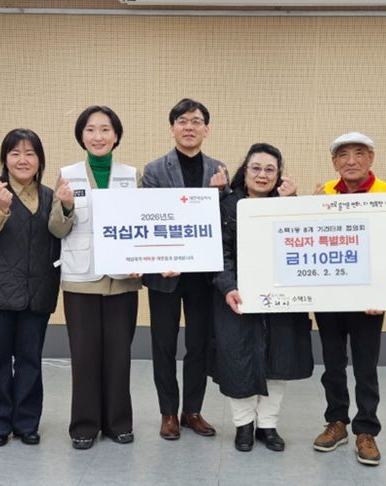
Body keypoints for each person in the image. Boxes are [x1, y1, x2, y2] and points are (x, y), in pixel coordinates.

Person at [49, 105, 141, 450]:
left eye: (105, 129)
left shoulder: (132, 176)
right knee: (84, 355)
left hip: (122, 279)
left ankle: (119, 423)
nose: (98, 136)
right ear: (81, 136)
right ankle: (84, 425)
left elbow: (142, 226)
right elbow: (56, 229)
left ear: (116, 136)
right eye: (90, 129)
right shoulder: (66, 175)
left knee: (119, 354)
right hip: (80, 278)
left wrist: (142, 260)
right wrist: (66, 206)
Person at [213, 143, 313, 452]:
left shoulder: (287, 205)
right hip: (236, 297)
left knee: (278, 360)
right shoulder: (227, 205)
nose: (262, 175)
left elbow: (305, 245)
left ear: (279, 175)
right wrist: (228, 287)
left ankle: (268, 424)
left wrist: (292, 203)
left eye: (270, 169)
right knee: (238, 359)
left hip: (281, 298)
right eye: (256, 168)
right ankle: (243, 425)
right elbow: (219, 253)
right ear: (244, 171)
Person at [142, 98, 229, 440]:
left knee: (199, 344)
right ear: (172, 129)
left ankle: (192, 410)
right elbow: (147, 219)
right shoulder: (154, 170)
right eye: (182, 121)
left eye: (196, 121)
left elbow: (225, 222)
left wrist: (219, 194)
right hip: (165, 273)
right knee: (163, 344)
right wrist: (158, 260)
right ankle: (168, 413)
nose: (189, 127)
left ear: (207, 129)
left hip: (203, 276)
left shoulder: (219, 170)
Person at [312, 132, 386, 466]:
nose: (351, 161)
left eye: (359, 153)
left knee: (366, 366)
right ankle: (336, 421)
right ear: (334, 162)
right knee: (332, 363)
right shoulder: (322, 194)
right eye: (343, 155)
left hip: (369, 300)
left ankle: (366, 430)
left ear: (371, 158)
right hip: (329, 296)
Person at [0, 128, 60, 447]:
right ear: (5, 159)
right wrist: (0, 209)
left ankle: (26, 423)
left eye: (30, 153)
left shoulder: (50, 195)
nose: (23, 160)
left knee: (30, 361)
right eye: (15, 153)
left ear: (40, 160)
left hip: (37, 294)